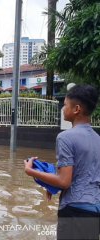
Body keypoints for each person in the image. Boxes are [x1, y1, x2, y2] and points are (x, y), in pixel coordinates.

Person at [24, 84, 100, 239]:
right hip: (95, 209)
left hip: (74, 210)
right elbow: (85, 173)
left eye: (65, 105)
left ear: (76, 109)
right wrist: (51, 183)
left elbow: (64, 181)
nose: (63, 109)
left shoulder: (65, 137)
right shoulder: (98, 139)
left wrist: (31, 171)